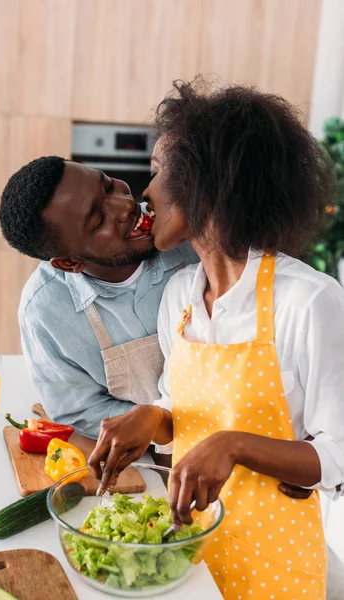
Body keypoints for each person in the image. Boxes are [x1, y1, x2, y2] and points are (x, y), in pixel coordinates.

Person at [89, 80, 344, 598]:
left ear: (205, 180)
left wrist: (233, 446)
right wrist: (154, 417)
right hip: (188, 549)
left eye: (159, 171)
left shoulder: (310, 301)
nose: (146, 191)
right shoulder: (180, 295)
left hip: (277, 558)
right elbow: (180, 405)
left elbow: (336, 456)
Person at [0, 157, 197, 440]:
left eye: (107, 185)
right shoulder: (45, 310)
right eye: (99, 218)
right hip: (152, 457)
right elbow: (78, 409)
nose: (126, 204)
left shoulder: (192, 227)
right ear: (69, 263)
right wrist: (162, 425)